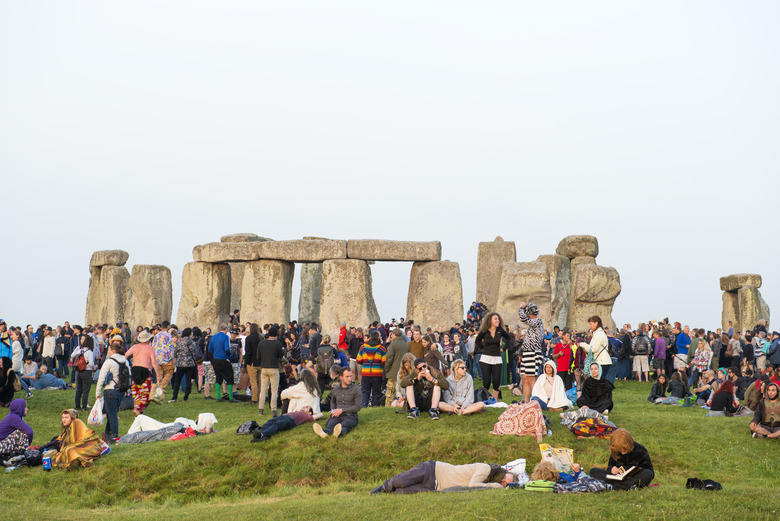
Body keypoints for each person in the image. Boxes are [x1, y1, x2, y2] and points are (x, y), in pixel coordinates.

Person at [371, 461, 515, 494]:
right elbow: (473, 485)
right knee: (401, 481)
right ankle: (384, 486)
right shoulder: (485, 469)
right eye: (505, 478)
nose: (503, 481)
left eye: (505, 483)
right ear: (502, 471)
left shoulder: (487, 481)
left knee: (401, 491)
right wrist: (496, 486)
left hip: (435, 486)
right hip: (434, 470)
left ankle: (388, 492)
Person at [588, 428, 654, 490]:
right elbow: (609, 468)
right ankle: (625, 486)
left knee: (648, 473)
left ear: (629, 444)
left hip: (634, 478)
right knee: (593, 471)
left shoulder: (641, 450)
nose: (622, 453)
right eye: (620, 451)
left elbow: (651, 472)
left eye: (624, 450)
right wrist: (612, 469)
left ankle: (615, 486)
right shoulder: (615, 450)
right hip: (618, 478)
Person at [95, 342, 130, 440]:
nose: (108, 351)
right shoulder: (125, 361)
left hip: (110, 390)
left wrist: (98, 392)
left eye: (109, 349)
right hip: (121, 390)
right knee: (112, 412)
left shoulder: (109, 362)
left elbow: (101, 377)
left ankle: (114, 436)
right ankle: (107, 434)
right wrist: (128, 390)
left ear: (113, 351)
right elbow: (129, 376)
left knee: (112, 414)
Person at [313, 367, 361, 438]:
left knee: (345, 425)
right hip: (337, 415)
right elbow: (333, 402)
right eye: (347, 377)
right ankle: (324, 433)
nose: (350, 379)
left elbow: (357, 407)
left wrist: (342, 410)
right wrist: (333, 411)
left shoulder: (356, 389)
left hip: (350, 415)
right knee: (330, 424)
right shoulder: (335, 389)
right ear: (341, 377)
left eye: (350, 376)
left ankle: (337, 434)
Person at [475, 312, 513, 401]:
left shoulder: (500, 331)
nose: (498, 320)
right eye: (495, 319)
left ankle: (495, 402)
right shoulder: (484, 331)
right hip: (485, 359)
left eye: (498, 319)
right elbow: (477, 341)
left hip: (497, 359)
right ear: (490, 320)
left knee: (496, 382)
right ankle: (485, 399)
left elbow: (508, 338)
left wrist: (504, 348)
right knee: (486, 382)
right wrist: (484, 348)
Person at [125, 330, 162, 416]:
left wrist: (128, 366)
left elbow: (125, 355)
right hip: (146, 371)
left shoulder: (135, 347)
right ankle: (138, 409)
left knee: (136, 392)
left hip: (135, 369)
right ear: (148, 339)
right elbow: (154, 362)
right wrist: (158, 374)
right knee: (145, 393)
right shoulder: (150, 348)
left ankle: (137, 410)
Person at [251, 405, 322, 443]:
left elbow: (321, 415)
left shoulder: (307, 416)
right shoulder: (296, 411)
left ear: (310, 413)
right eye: (305, 406)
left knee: (278, 424)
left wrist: (312, 415)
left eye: (307, 407)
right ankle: (263, 437)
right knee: (267, 423)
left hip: (290, 420)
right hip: (282, 416)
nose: (304, 406)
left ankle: (262, 435)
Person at [518, 303, 544, 402]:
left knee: (531, 379)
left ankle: (536, 403)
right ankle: (527, 402)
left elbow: (523, 319)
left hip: (532, 352)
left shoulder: (536, 321)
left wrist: (521, 307)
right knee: (525, 378)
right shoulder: (535, 323)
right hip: (527, 353)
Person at [256, 327, 285, 414]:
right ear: (276, 335)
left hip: (264, 368)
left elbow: (258, 357)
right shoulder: (277, 343)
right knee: (274, 390)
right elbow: (281, 355)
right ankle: (273, 409)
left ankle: (261, 409)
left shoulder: (261, 343)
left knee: (263, 390)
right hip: (274, 368)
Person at [579, 316, 613, 385]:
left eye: (591, 324)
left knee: (599, 383)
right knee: (598, 383)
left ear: (596, 323)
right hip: (601, 361)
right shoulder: (598, 333)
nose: (590, 326)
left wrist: (582, 344)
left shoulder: (599, 334)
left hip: (602, 362)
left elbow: (594, 349)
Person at [356, 330, 386, 407]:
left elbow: (358, 360)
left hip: (365, 373)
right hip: (377, 374)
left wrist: (365, 361)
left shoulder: (363, 347)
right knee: (376, 392)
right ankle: (375, 406)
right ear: (378, 338)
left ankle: (364, 406)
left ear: (370, 338)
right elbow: (384, 361)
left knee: (365, 391)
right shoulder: (382, 348)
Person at [208, 324, 236, 403]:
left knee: (218, 377)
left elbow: (210, 349)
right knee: (230, 377)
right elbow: (227, 348)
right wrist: (229, 355)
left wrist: (216, 353)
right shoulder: (226, 337)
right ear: (226, 329)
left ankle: (218, 397)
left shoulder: (213, 337)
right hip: (223, 359)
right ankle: (231, 398)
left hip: (215, 359)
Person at [169, 328, 198, 403]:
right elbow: (194, 352)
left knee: (177, 381)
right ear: (190, 334)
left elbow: (174, 353)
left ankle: (174, 397)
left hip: (180, 364)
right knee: (188, 381)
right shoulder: (192, 342)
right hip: (190, 364)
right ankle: (186, 398)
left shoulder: (180, 343)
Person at [384, 329, 409, 407]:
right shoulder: (406, 345)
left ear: (394, 334)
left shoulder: (393, 344)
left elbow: (389, 358)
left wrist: (386, 369)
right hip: (403, 373)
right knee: (399, 393)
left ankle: (388, 409)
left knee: (390, 394)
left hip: (393, 372)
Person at [71, 334, 96, 410]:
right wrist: (94, 367)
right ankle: (84, 406)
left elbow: (72, 355)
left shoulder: (80, 350)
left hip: (79, 370)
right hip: (87, 371)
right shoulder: (89, 352)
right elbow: (91, 364)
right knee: (86, 390)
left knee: (78, 389)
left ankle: (77, 405)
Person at [152, 324, 176, 399]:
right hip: (165, 357)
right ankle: (162, 386)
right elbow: (170, 347)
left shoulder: (156, 335)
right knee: (169, 372)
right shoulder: (168, 336)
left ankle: (159, 389)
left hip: (157, 357)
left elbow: (153, 345)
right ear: (168, 327)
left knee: (159, 374)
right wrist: (171, 358)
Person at [244, 323, 262, 404]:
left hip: (252, 362)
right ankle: (260, 398)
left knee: (253, 382)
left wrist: (245, 364)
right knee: (260, 382)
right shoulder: (261, 338)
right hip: (261, 362)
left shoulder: (249, 338)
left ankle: (254, 399)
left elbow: (248, 352)